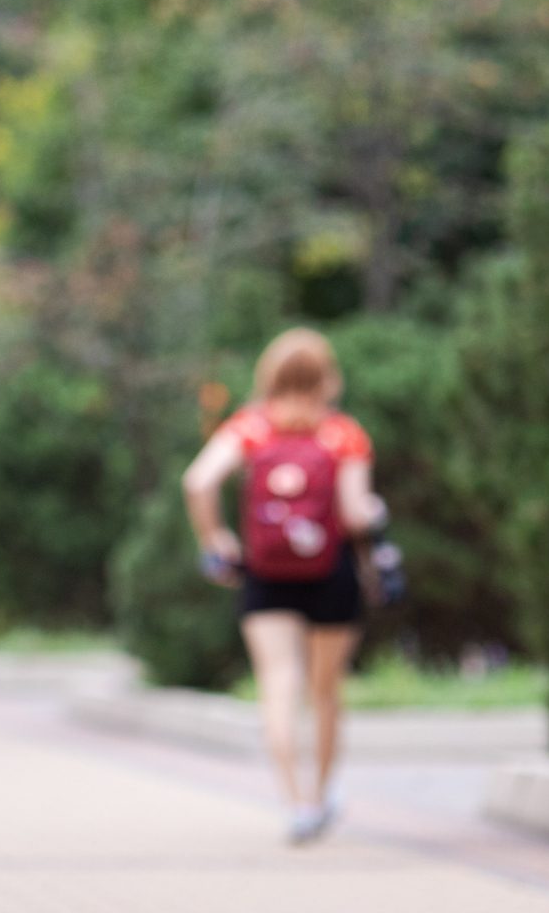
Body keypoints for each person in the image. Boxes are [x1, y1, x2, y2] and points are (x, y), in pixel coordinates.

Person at [182, 328, 384, 846]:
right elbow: (356, 516)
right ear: (327, 378)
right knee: (326, 692)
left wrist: (217, 540)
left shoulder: (251, 428)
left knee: (278, 683)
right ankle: (322, 794)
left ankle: (294, 803)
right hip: (331, 575)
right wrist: (376, 518)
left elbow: (198, 481)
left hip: (267, 575)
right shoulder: (343, 435)